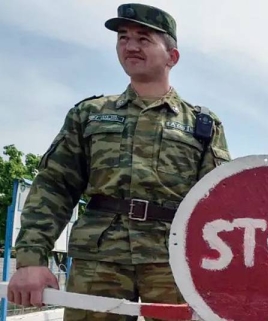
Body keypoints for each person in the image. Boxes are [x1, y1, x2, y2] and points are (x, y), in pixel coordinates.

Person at [7, 3, 231, 321]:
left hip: (174, 262)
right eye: (123, 37)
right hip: (99, 259)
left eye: (144, 38)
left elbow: (220, 206)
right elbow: (55, 187)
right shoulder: (89, 115)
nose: (130, 45)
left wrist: (224, 271)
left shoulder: (202, 124)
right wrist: (31, 259)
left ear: (172, 56)